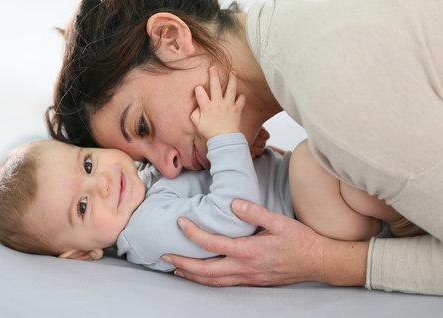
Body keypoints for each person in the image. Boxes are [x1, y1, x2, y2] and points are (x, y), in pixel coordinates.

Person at [46, 0, 443, 294]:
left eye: (143, 126)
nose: (168, 170)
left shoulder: (336, 101)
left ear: (171, 37)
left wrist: (324, 261)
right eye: (143, 162)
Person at [0, 70, 420, 270]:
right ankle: (406, 222)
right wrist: (225, 137)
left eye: (87, 164)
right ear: (82, 253)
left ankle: (410, 199)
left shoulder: (145, 184)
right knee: (316, 159)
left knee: (333, 151)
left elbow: (216, 183)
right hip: (312, 216)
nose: (101, 184)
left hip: (312, 199)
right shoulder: (144, 231)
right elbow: (232, 216)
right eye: (81, 206)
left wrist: (244, 153)